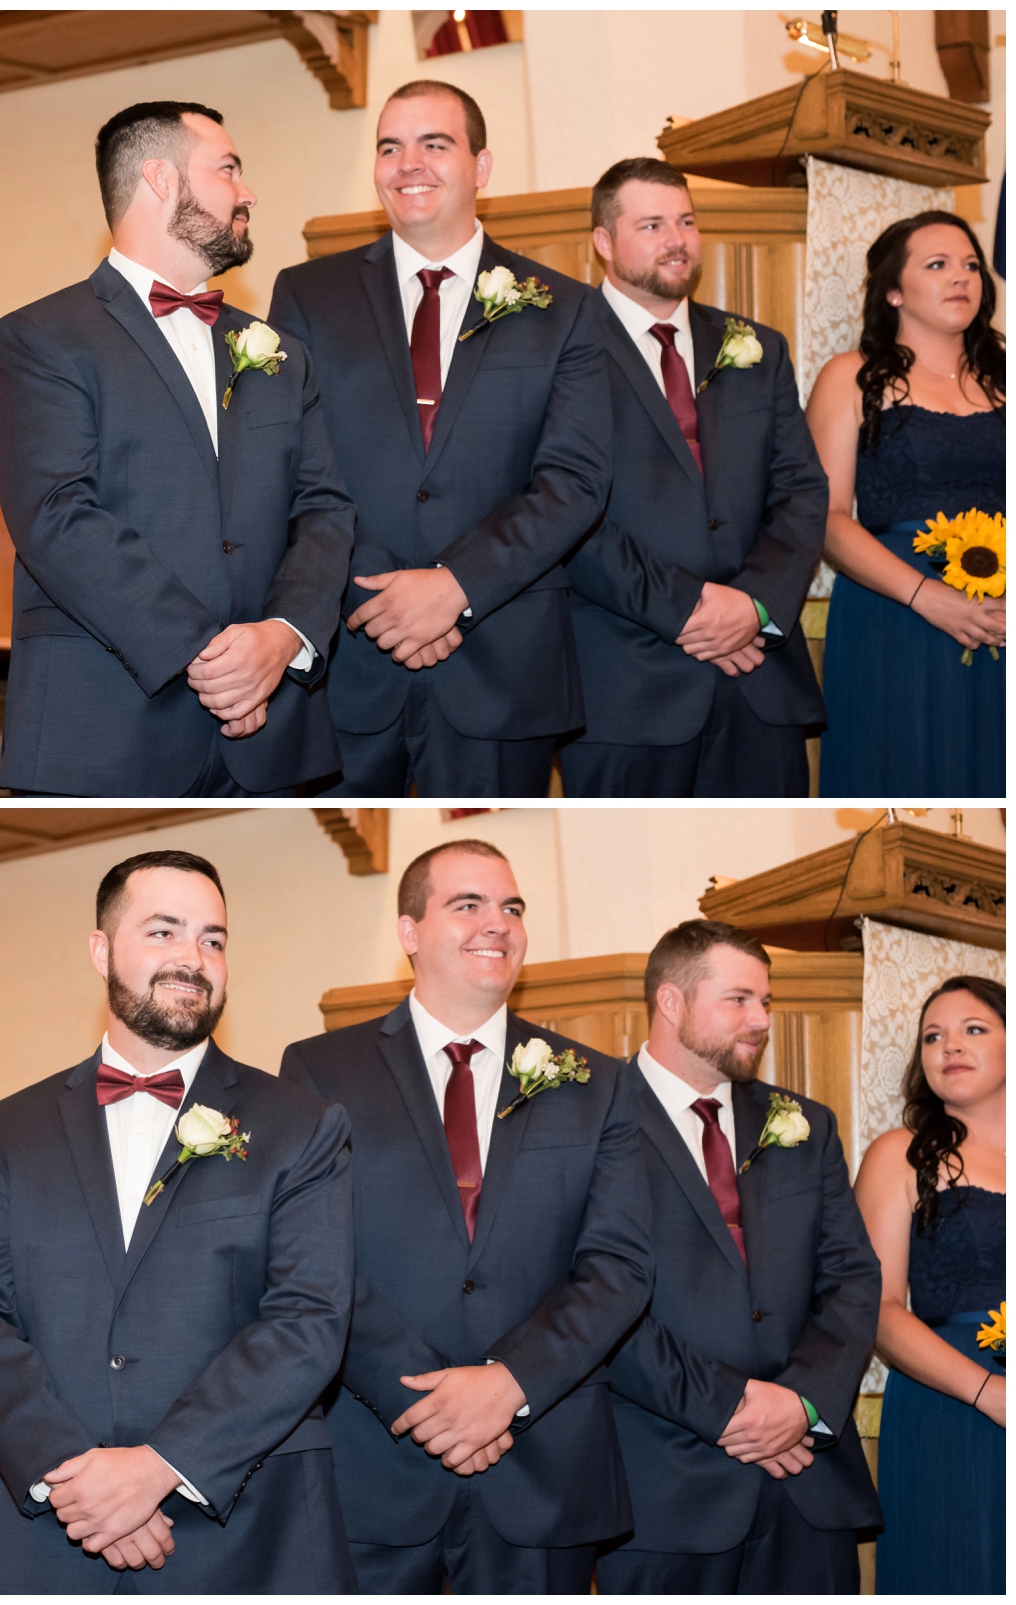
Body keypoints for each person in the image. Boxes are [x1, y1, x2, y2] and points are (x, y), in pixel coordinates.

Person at [0, 849, 356, 1593]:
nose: (192, 959)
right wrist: (74, 1478)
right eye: (163, 932)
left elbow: (308, 1319)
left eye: (213, 938)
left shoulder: (302, 1125)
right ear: (100, 949)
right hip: (47, 1522)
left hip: (246, 1527)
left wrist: (162, 1466)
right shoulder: (6, 1131)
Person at [279, 839, 652, 1592]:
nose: (499, 922)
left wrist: (508, 1383)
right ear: (410, 930)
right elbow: (314, 1262)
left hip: (543, 1469)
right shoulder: (320, 1071)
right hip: (376, 1467)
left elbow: (619, 1265)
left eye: (512, 906)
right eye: (469, 903)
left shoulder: (598, 1082)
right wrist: (431, 1405)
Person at [0, 102, 354, 797]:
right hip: (107, 728)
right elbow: (59, 516)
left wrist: (280, 637)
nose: (248, 193)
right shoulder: (41, 338)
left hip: (276, 734)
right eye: (228, 170)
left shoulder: (281, 352)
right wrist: (212, 657)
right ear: (159, 177)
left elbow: (325, 510)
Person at [269, 82, 623, 798]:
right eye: (390, 147)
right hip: (350, 659)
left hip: (502, 665)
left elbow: (575, 480)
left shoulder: (567, 308)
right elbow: (293, 464)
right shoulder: (308, 295)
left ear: (481, 167)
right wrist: (385, 596)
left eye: (435, 144)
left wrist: (456, 586)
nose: (409, 164)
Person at [595, 919, 882, 1594]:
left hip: (807, 1482)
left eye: (767, 1001)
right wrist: (730, 1405)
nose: (761, 1018)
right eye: (738, 999)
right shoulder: (589, 1122)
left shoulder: (804, 1124)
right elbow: (590, 1294)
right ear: (671, 1002)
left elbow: (851, 1279)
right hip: (664, 1490)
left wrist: (801, 1401)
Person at [561, 157, 827, 798]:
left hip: (758, 681)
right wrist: (690, 611)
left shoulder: (757, 347)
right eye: (651, 224)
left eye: (685, 221)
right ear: (604, 241)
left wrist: (753, 606)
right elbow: (561, 509)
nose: (676, 240)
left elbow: (800, 492)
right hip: (624, 689)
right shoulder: (555, 351)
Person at [807, 211, 1006, 796]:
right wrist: (930, 598)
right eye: (938, 265)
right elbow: (826, 517)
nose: (961, 278)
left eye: (971, 265)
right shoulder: (851, 377)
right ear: (893, 290)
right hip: (893, 616)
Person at [854, 976, 1006, 1596]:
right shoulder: (902, 1154)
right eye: (932, 1037)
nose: (950, 1046)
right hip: (951, 1402)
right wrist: (991, 1394)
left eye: (974, 1029)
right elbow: (879, 1310)